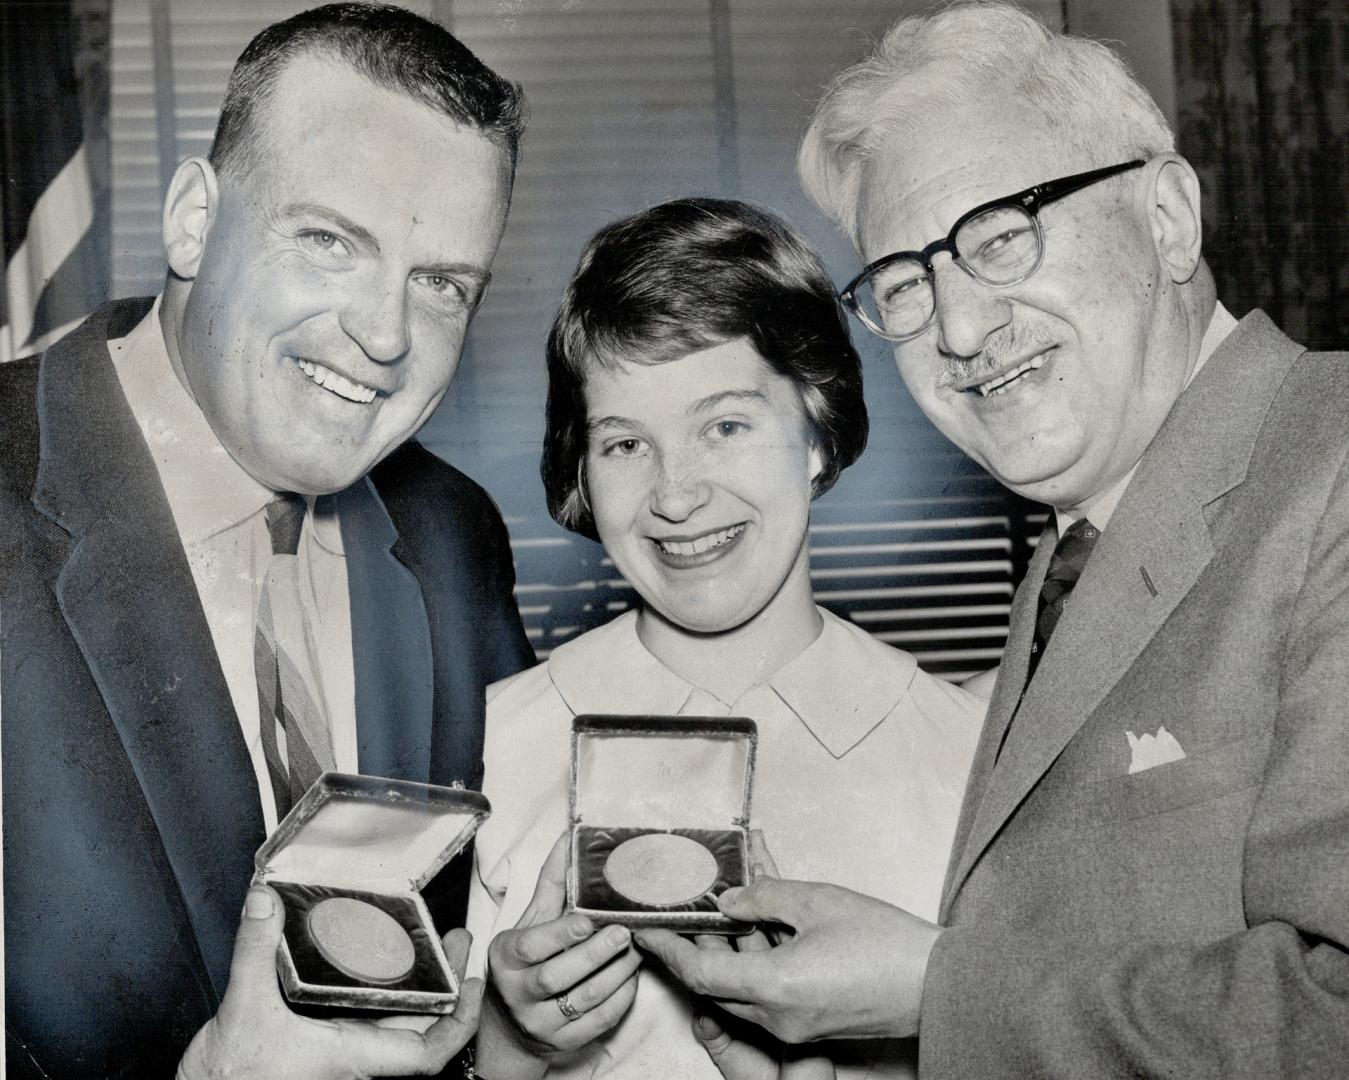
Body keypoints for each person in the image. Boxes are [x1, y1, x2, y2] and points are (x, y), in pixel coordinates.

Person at [634, 4, 1349, 1078]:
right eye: (909, 284)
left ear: (1165, 217)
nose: (961, 331)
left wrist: (931, 990)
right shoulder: (1075, 555)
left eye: (1003, 234)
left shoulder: (1328, 461)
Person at [0, 5, 535, 1078]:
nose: (384, 338)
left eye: (440, 286)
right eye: (330, 241)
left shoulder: (451, 531)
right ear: (194, 219)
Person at [464, 197, 985, 1080]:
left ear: (817, 429)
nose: (676, 494)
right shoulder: (491, 743)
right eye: (625, 443)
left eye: (724, 426)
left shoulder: (967, 759)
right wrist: (507, 1046)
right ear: (581, 472)